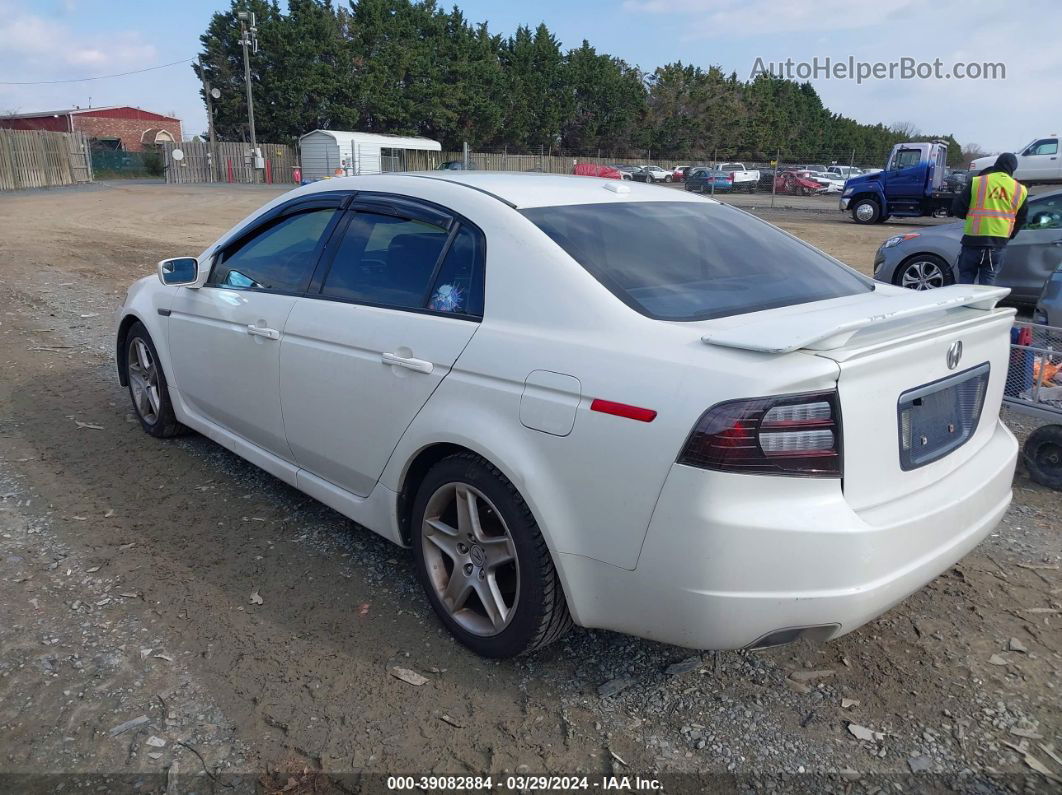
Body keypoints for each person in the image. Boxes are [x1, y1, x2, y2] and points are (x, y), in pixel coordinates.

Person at [950, 152, 1028, 285]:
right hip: (998, 244)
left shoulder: (978, 182)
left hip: (973, 242)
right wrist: (1010, 235)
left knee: (965, 280)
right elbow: (1022, 218)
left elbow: (957, 208)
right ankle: (983, 306)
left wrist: (970, 216)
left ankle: (964, 305)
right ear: (1013, 168)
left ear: (996, 164)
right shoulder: (1020, 190)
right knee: (987, 283)